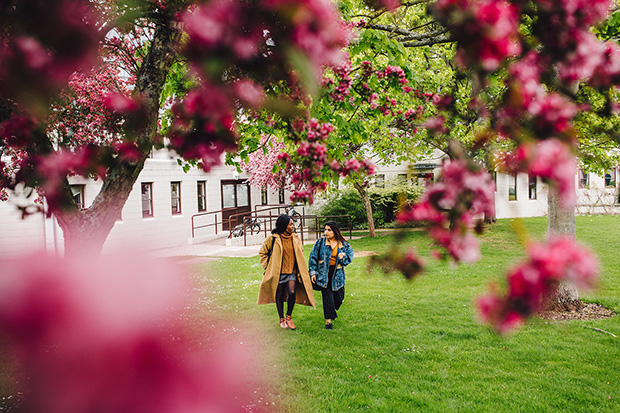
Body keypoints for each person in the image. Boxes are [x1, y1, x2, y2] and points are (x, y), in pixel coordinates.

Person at [257, 214, 315, 330]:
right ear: (284, 225)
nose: (293, 226)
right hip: (278, 273)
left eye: (293, 224)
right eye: (290, 224)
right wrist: (268, 268)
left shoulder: (295, 237)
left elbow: (300, 252)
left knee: (292, 292)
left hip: (291, 272)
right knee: (279, 294)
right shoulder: (273, 238)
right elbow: (262, 253)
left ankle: (289, 316)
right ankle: (281, 319)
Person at [308, 220, 354, 329]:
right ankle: (328, 322)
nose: (326, 232)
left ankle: (332, 310)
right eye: (325, 229)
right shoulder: (320, 242)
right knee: (327, 296)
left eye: (329, 230)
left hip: (337, 275)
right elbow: (313, 257)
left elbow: (349, 258)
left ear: (335, 231)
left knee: (339, 297)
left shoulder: (344, 244)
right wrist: (313, 272)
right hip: (323, 273)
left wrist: (343, 257)